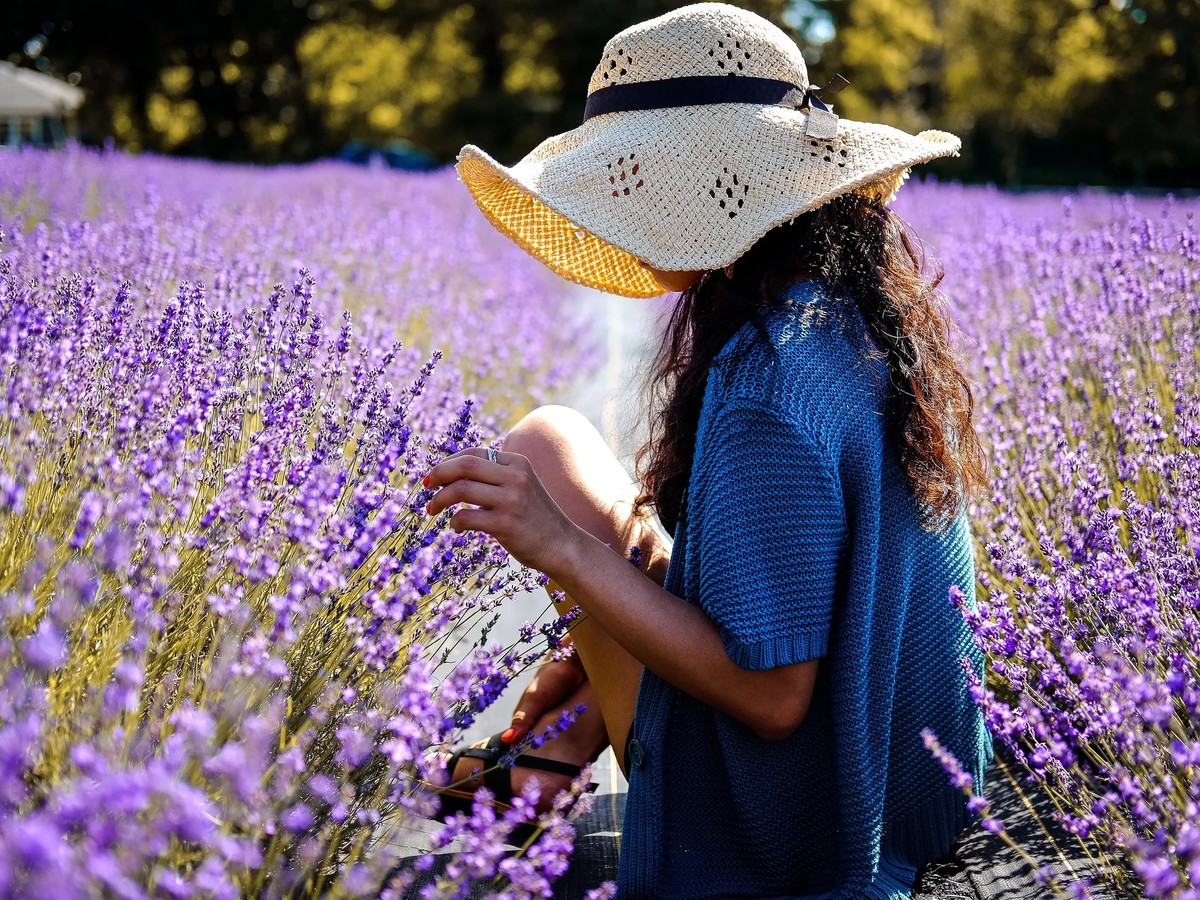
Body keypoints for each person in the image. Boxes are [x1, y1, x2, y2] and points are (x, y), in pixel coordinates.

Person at [425, 4, 993, 897]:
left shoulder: (769, 382)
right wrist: (591, 646)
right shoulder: (848, 315)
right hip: (905, 780)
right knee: (550, 442)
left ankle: (544, 760)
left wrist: (561, 550)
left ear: (688, 187)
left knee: (548, 488)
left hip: (798, 825)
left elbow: (773, 698)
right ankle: (560, 742)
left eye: (627, 180)